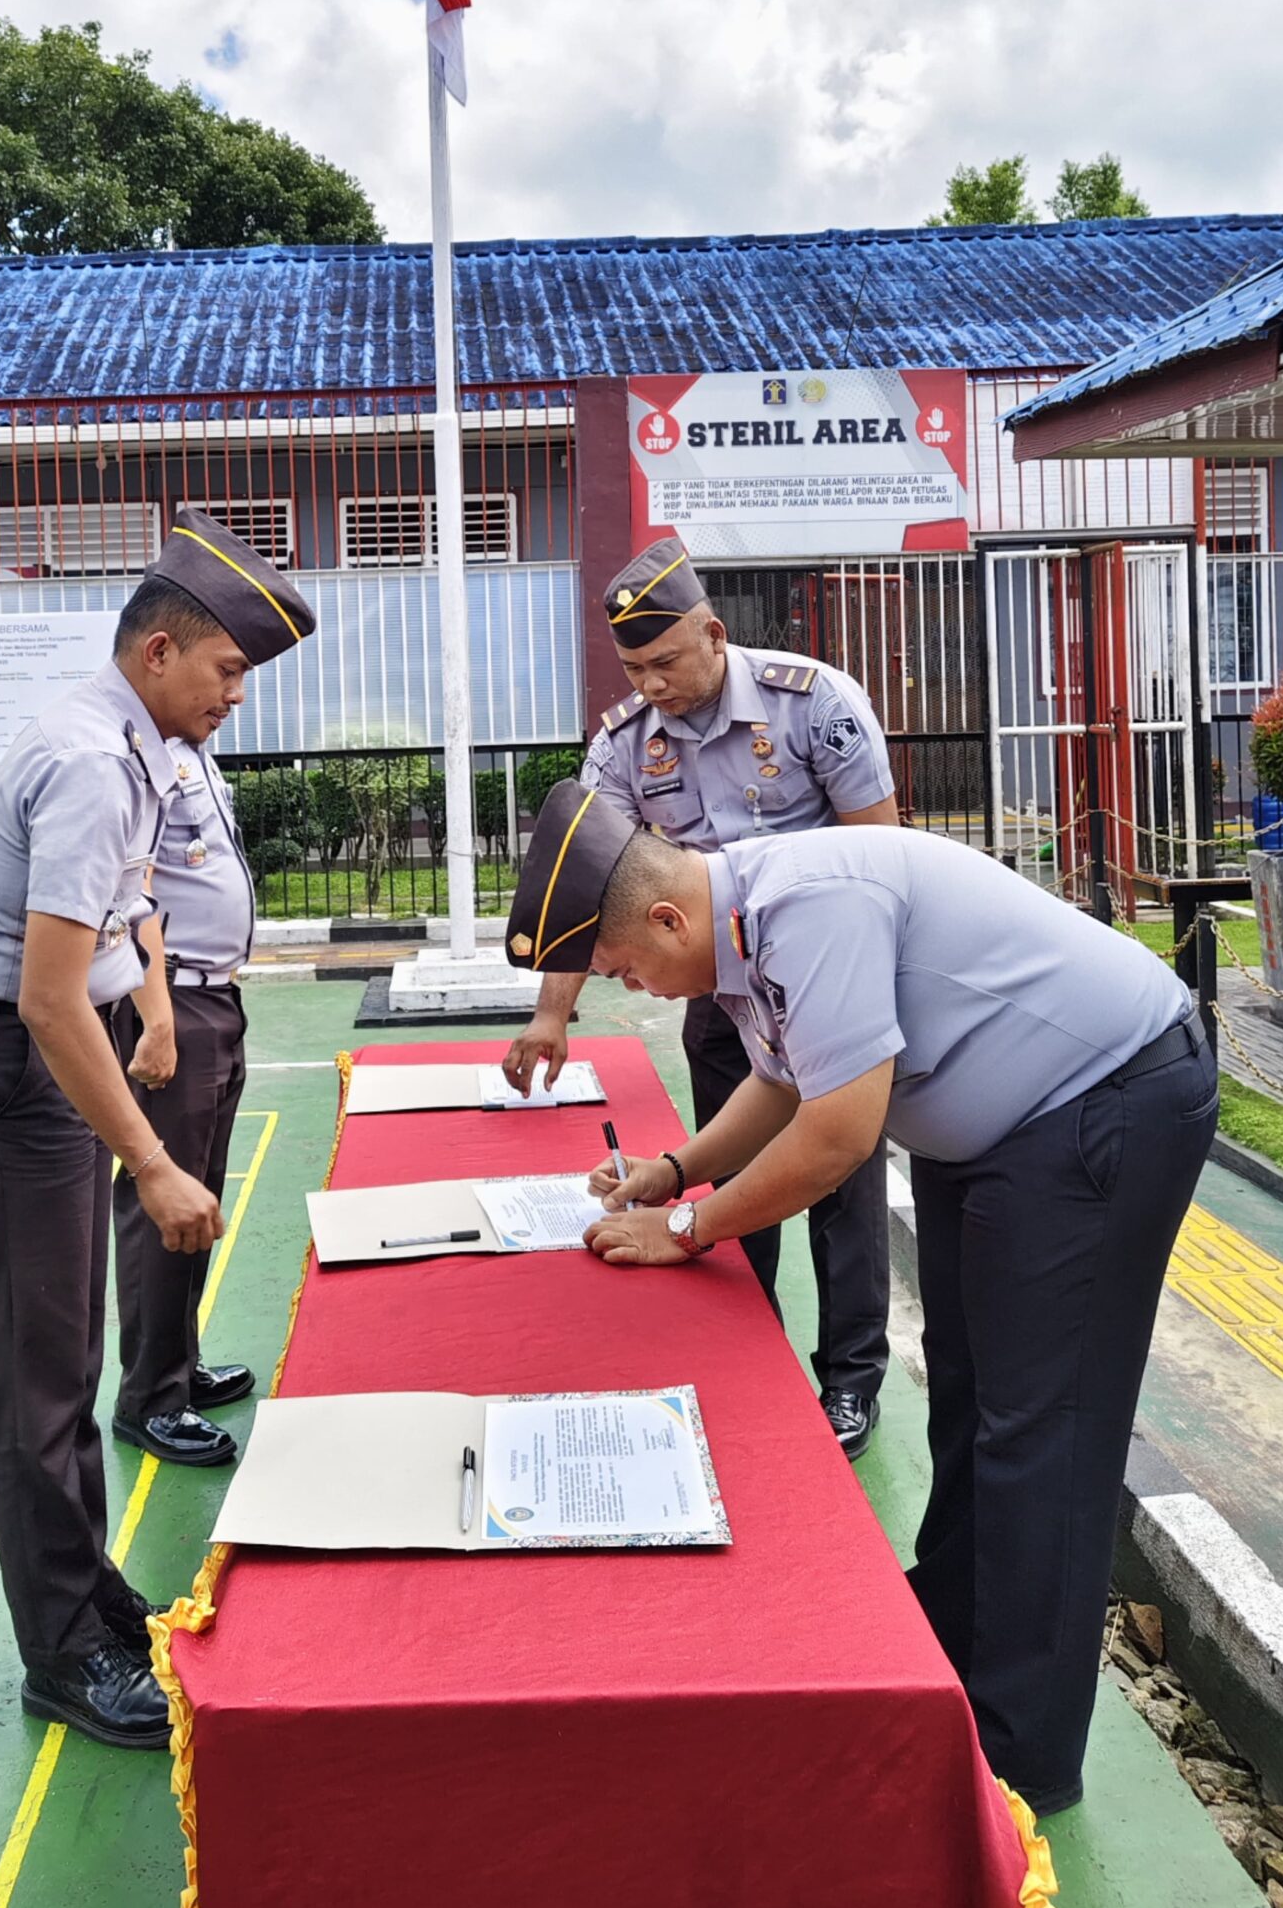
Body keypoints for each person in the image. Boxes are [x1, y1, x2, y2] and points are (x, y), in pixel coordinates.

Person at [507, 781, 1216, 1816]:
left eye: (626, 969)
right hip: (997, 1130)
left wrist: (690, 1229)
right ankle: (954, 1640)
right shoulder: (743, 923)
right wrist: (674, 1170)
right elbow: (784, 1083)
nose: (638, 990)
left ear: (667, 918)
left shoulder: (808, 904)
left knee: (1045, 1431)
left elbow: (836, 1140)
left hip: (1097, 1105)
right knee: (970, 1403)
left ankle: (1024, 1749)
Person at [0, 506, 314, 1749]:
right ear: (158, 652)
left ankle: (88, 1595)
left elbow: (114, 934)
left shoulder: (129, 749)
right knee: (42, 1372)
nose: (234, 695)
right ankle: (63, 1651)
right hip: (14, 1059)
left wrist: (145, 1013)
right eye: (226, 669)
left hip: (46, 1057)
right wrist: (151, 1161)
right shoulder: (95, 760)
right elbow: (45, 990)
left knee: (71, 1355)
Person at [502, 536, 898, 1455]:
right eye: (635, 669)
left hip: (832, 987)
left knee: (838, 1179)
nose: (653, 685)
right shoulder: (626, 744)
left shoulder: (814, 705)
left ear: (714, 633)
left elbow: (887, 855)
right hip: (718, 994)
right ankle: (745, 1347)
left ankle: (849, 1380)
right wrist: (553, 1011)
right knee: (733, 1173)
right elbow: (586, 882)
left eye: (667, 662)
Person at [108, 706, 262, 1468]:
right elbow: (131, 898)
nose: (232, 693)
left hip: (215, 999)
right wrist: (158, 1021)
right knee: (161, 1207)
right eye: (223, 671)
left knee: (198, 1197)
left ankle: (180, 1363)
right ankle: (149, 1399)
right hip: (177, 1004)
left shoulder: (192, 756)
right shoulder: (140, 758)